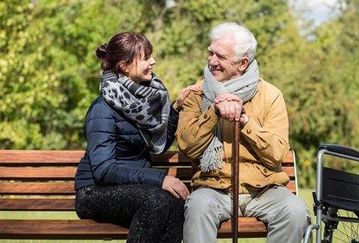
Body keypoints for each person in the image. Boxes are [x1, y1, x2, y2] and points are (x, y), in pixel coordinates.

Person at [177, 23, 309, 243]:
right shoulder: (196, 94)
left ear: (242, 63)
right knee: (198, 207)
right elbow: (188, 147)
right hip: (214, 187)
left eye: (220, 56)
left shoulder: (270, 95)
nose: (211, 61)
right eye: (210, 52)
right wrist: (214, 111)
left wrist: (245, 121)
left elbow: (276, 153)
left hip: (262, 189)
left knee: (294, 211)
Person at [74, 32, 194, 243]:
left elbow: (158, 145)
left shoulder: (144, 103)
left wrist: (175, 109)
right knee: (154, 200)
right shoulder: (102, 109)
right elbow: (104, 170)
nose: (153, 61)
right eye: (146, 57)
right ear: (124, 66)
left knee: (175, 203)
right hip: (94, 192)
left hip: (134, 189)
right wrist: (160, 179)